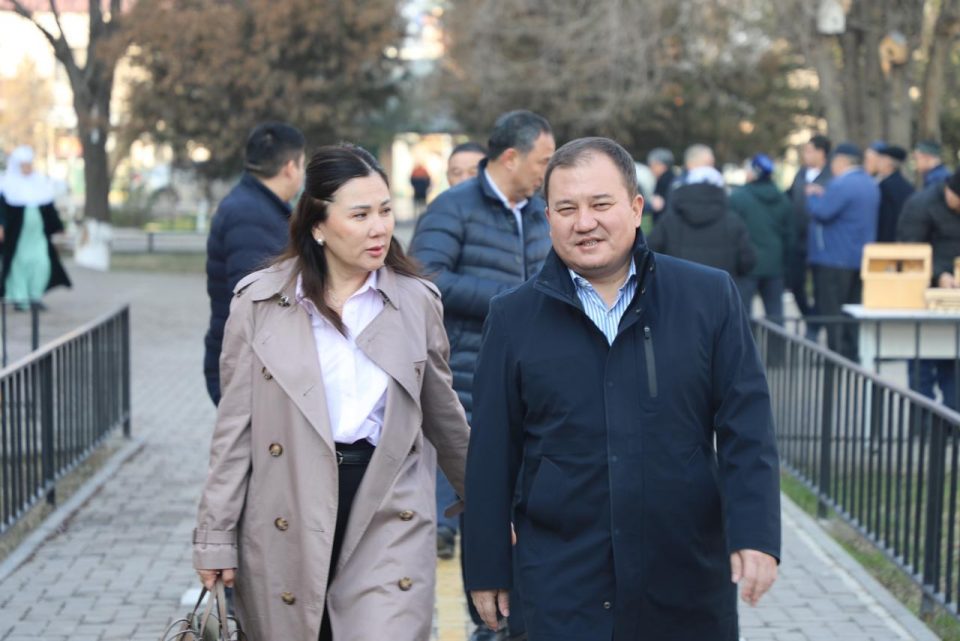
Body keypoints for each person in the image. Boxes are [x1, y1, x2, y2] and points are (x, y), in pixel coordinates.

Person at [464, 137, 780, 641]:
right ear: (548, 218)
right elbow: (491, 451)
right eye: (567, 208)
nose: (584, 222)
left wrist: (756, 534)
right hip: (562, 577)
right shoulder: (513, 317)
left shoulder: (707, 297)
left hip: (684, 570)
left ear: (635, 208)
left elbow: (747, 428)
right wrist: (485, 564)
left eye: (600, 204)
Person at [193, 144, 471, 641]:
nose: (379, 228)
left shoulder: (416, 301)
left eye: (385, 211)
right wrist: (215, 536)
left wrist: (490, 506)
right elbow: (233, 433)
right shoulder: (259, 302)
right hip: (287, 504)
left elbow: (444, 416)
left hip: (387, 505)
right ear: (318, 225)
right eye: (360, 215)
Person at [410, 109, 555, 641]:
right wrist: (511, 301)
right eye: (543, 160)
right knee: (485, 500)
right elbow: (424, 277)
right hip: (471, 378)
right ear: (511, 157)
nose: (547, 172)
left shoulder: (541, 211)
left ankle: (525, 612)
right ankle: (488, 620)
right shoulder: (455, 207)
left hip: (540, 381)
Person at [203, 122, 305, 405]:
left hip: (249, 362)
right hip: (248, 367)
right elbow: (256, 302)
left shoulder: (256, 205)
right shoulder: (251, 215)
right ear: (290, 167)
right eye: (302, 164)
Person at [805, 142, 880, 361]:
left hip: (834, 259)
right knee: (852, 312)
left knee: (833, 313)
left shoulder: (841, 184)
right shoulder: (870, 184)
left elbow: (822, 212)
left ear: (841, 161)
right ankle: (852, 356)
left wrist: (812, 196)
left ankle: (836, 359)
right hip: (859, 259)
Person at [896, 168, 960, 410]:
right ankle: (923, 422)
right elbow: (910, 251)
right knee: (920, 365)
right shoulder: (921, 205)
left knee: (952, 366)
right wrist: (939, 275)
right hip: (921, 297)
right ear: (950, 191)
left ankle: (952, 420)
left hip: (953, 302)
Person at [648, 145, 756, 282]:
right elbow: (747, 261)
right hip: (719, 289)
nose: (711, 167)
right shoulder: (733, 221)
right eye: (708, 163)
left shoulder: (671, 218)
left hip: (679, 286)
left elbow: (652, 250)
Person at [0, 145, 71, 311]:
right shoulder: (7, 185)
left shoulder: (39, 183)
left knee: (42, 263)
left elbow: (49, 209)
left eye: (29, 164)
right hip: (16, 238)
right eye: (23, 165)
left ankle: (35, 296)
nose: (27, 168)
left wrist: (59, 227)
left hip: (37, 237)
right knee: (18, 267)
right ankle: (21, 300)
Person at [730, 153, 792, 319]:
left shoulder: (738, 197)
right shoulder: (783, 199)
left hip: (746, 265)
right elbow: (789, 235)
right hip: (775, 264)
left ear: (753, 172)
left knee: (743, 317)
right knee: (775, 317)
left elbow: (731, 232)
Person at [786, 135, 832, 335]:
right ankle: (809, 317)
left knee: (821, 287)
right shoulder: (801, 173)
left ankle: (814, 325)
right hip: (798, 239)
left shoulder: (831, 176)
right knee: (796, 283)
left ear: (821, 153)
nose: (805, 155)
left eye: (809, 150)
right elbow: (790, 197)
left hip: (821, 241)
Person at [875, 145, 914, 243]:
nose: (878, 162)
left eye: (881, 159)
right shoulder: (908, 186)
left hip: (887, 240)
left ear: (889, 163)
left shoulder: (884, 186)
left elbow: (884, 219)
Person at [645, 147, 675, 223]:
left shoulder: (665, 181)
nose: (650, 168)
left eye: (652, 165)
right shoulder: (669, 178)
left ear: (662, 166)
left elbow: (659, 205)